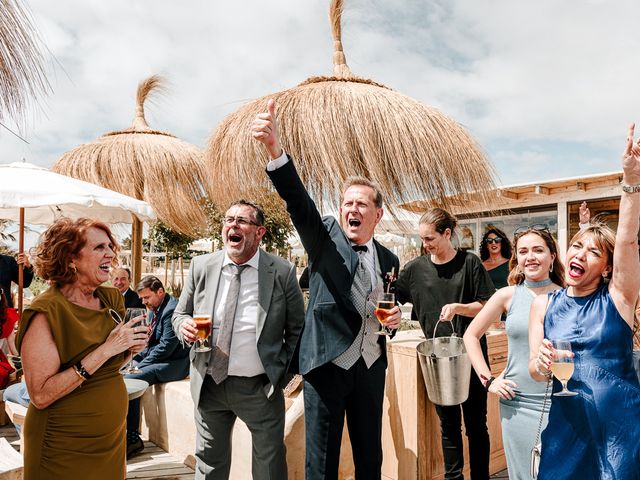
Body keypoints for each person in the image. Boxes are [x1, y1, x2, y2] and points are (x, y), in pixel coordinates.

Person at [252, 100, 402, 480]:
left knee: (371, 457)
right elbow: (299, 203)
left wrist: (395, 319)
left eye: (361, 204)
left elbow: (386, 311)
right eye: (347, 202)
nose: (353, 209)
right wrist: (275, 150)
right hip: (327, 366)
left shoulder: (389, 258)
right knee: (321, 462)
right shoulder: (325, 238)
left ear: (377, 214)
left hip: (370, 367)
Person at [529, 124, 640, 479]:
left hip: (620, 429)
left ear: (607, 267)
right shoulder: (543, 304)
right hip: (566, 429)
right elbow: (534, 370)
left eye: (594, 252)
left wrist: (631, 180)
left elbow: (626, 242)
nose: (581, 253)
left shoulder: (619, 300)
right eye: (577, 245)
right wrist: (542, 363)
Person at [173, 199, 304, 480]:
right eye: (228, 219)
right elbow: (180, 313)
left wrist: (279, 377)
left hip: (259, 388)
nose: (233, 225)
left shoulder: (281, 272)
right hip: (209, 384)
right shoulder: (201, 266)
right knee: (209, 464)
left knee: (269, 467)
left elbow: (297, 330)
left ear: (260, 232)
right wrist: (183, 325)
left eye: (242, 221)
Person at [14, 217, 147, 480]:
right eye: (99, 247)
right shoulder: (46, 312)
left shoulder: (110, 299)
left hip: (110, 443)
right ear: (70, 259)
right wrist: (107, 349)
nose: (110, 253)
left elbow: (110, 365)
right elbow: (40, 395)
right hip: (63, 447)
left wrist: (130, 350)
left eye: (110, 246)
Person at [395, 208, 495, 480]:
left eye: (429, 239)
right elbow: (392, 297)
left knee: (476, 425)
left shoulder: (470, 264)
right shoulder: (414, 269)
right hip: (437, 360)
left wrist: (459, 308)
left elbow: (488, 307)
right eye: (422, 239)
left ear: (447, 233)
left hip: (472, 356)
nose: (424, 245)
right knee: (448, 426)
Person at [464, 227, 564, 479]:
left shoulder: (568, 295)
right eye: (523, 251)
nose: (530, 256)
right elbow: (470, 336)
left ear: (552, 256)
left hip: (562, 400)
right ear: (517, 260)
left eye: (538, 250)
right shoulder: (507, 295)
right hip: (517, 403)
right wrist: (489, 381)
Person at [125, 275, 189, 459]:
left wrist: (138, 366)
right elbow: (149, 342)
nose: (143, 302)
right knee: (121, 373)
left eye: (146, 297)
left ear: (160, 292)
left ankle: (132, 438)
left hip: (175, 364)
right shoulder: (154, 307)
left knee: (130, 378)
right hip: (159, 358)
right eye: (142, 298)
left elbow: (165, 349)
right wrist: (132, 360)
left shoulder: (172, 309)